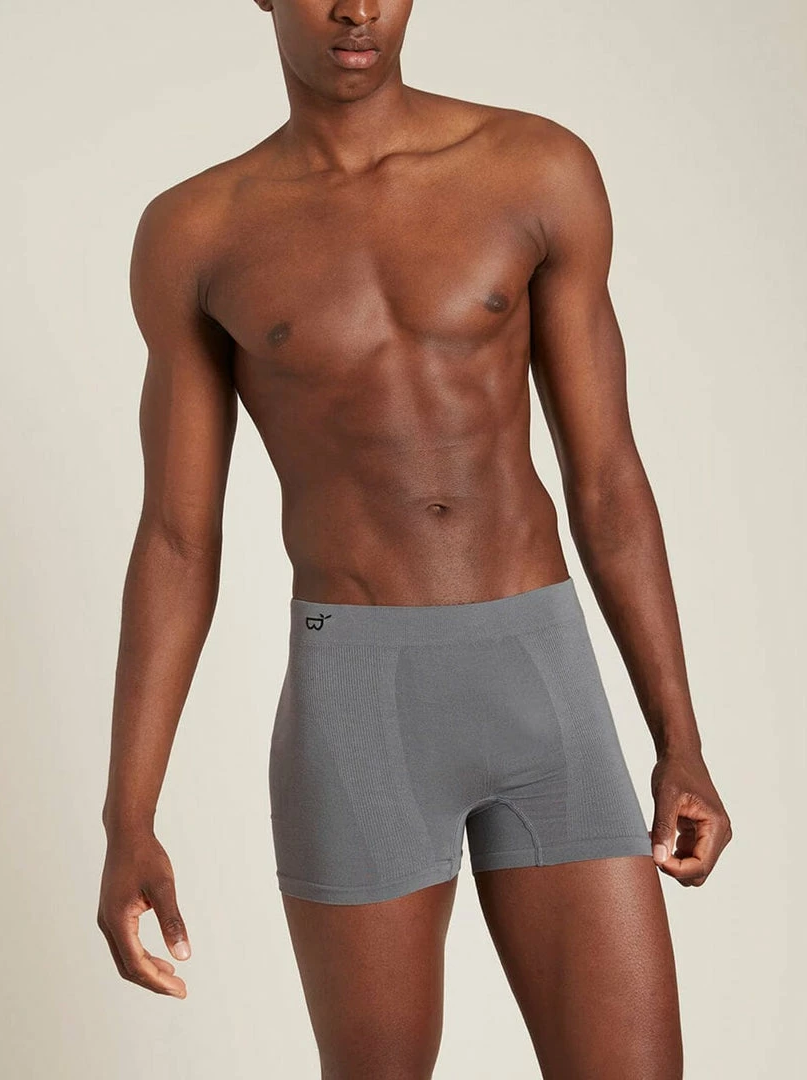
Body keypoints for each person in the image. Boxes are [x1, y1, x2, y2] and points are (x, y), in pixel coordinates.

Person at [97, 1, 732, 1076]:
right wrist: (129, 818)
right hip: (359, 701)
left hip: (541, 679)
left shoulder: (534, 170)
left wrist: (679, 739)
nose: (357, 7)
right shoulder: (198, 231)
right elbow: (175, 540)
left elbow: (608, 481)